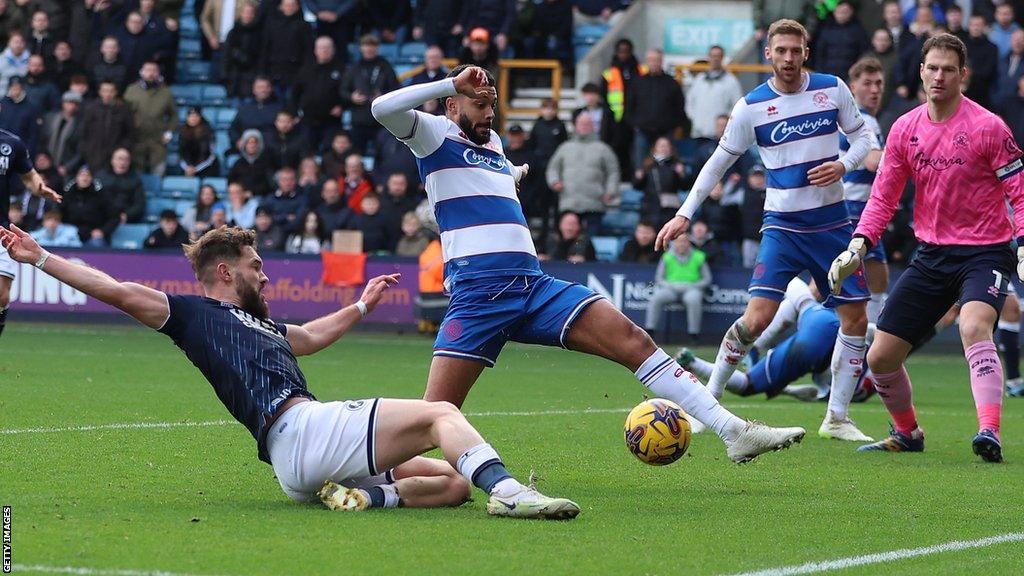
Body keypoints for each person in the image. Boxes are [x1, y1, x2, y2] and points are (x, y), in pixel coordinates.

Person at [371, 63, 806, 463]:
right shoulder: (431, 134)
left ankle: (734, 431)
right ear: (452, 104)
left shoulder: (494, 143)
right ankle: (354, 465)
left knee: (633, 339)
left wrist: (513, 174)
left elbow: (491, 178)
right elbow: (380, 107)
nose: (488, 114)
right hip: (479, 294)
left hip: (533, 286)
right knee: (434, 419)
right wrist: (450, 82)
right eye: (478, 104)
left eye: (492, 105)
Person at [0, 224, 581, 518]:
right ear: (225, 272)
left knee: (454, 483)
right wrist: (42, 258)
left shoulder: (267, 327)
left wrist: (360, 305)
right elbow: (117, 289)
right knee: (440, 413)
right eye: (257, 267)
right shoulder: (195, 316)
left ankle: (355, 499)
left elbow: (309, 337)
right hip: (299, 430)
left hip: (301, 465)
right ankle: (508, 494)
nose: (267, 275)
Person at [656, 19, 875, 442]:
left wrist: (844, 165)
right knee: (756, 319)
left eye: (796, 50)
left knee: (855, 317)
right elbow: (718, 163)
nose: (789, 58)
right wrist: (685, 212)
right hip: (783, 227)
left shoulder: (832, 89)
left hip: (832, 225)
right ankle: (709, 404)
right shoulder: (751, 106)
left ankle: (836, 417)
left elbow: (863, 137)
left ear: (806, 52)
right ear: (768, 55)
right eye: (782, 51)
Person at [828, 34, 1024, 463]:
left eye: (948, 69)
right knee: (880, 357)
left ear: (963, 76)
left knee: (973, 327)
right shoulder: (905, 129)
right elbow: (883, 197)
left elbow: (1019, 189)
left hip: (985, 251)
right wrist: (859, 244)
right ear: (920, 72)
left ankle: (989, 431)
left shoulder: (989, 127)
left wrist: (1023, 241)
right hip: (931, 255)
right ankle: (907, 433)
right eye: (932, 68)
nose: (939, 76)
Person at [677, 278, 876, 401]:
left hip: (824, 328)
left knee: (802, 299)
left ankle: (697, 361)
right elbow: (872, 333)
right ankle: (693, 363)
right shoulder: (873, 371)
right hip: (823, 339)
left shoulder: (874, 364)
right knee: (747, 385)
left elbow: (871, 331)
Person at [0, 125, 61, 338]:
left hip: (0, 229)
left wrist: (40, 188)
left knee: (1, 295)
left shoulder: (11, 144)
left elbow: (29, 176)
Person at [840, 57, 887, 325]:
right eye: (867, 83)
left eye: (878, 83)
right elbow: (873, 161)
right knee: (828, 286)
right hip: (854, 211)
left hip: (859, 209)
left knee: (878, 278)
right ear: (852, 87)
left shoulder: (856, 118)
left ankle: (869, 353)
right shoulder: (865, 120)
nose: (874, 89)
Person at [546, 113, 620, 234]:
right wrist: (554, 182)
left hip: (594, 204)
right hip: (569, 203)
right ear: (575, 126)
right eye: (581, 124)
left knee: (592, 243)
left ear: (593, 126)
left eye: (587, 124)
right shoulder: (565, 148)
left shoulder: (603, 149)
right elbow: (552, 168)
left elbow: (613, 171)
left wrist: (610, 191)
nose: (584, 127)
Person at [626, 48, 685, 170]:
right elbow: (629, 106)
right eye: (651, 60)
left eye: (657, 60)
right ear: (647, 61)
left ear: (662, 61)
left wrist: (673, 125)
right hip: (642, 132)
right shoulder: (638, 82)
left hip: (665, 132)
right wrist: (635, 124)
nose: (654, 63)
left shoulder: (671, 83)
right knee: (640, 166)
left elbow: (679, 107)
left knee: (666, 166)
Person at [644, 235, 711, 343]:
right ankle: (650, 331)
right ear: (673, 243)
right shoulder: (667, 256)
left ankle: (693, 334)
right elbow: (659, 278)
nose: (681, 244)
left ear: (689, 243)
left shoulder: (699, 256)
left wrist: (694, 286)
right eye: (678, 241)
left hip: (692, 288)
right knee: (656, 298)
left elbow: (707, 279)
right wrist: (670, 285)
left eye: (684, 241)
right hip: (671, 289)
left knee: (693, 299)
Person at [340, 35, 398, 153]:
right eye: (366, 45)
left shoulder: (385, 66)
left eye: (372, 46)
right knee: (356, 153)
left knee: (382, 154)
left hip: (381, 121)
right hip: (359, 120)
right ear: (361, 48)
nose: (369, 49)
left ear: (377, 48)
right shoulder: (354, 68)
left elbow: (396, 89)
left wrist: (383, 96)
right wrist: (352, 97)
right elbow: (343, 90)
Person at [123, 61, 176, 175]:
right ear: (141, 72)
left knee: (158, 171)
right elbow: (124, 114)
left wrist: (169, 132)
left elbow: (173, 115)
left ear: (158, 73)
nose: (151, 73)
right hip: (137, 139)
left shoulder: (166, 92)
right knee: (137, 172)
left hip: (157, 139)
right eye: (147, 70)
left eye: (154, 70)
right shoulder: (131, 90)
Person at [292, 37, 345, 149]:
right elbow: (295, 93)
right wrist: (295, 113)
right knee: (306, 151)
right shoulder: (305, 70)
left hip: (331, 121)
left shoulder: (342, 70)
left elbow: (346, 92)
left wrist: (342, 106)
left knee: (329, 151)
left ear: (333, 50)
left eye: (327, 48)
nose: (324, 51)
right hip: (308, 120)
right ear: (315, 50)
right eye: (321, 48)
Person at [685, 45, 743, 140]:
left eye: (718, 56)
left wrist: (725, 124)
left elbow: (737, 107)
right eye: (713, 56)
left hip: (721, 136)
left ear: (722, 58)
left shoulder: (731, 81)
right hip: (699, 133)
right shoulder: (699, 79)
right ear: (709, 57)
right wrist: (695, 119)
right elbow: (690, 102)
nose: (715, 59)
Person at [259, 0, 313, 92]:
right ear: (281, 7)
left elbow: (308, 50)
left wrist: (304, 72)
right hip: (274, 72)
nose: (290, 8)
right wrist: (263, 72)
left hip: (295, 72)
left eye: (292, 5)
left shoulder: (304, 26)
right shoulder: (271, 24)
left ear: (297, 7)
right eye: (287, 5)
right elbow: (265, 49)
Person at [80, 81, 133, 172]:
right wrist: (87, 150)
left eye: (111, 91)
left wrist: (121, 149)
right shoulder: (91, 109)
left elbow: (130, 133)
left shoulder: (123, 110)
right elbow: (83, 132)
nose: (108, 94)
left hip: (114, 156)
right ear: (100, 92)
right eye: (105, 91)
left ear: (115, 92)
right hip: (94, 155)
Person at [633, 136, 686, 227]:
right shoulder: (647, 165)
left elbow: (685, 186)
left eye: (666, 146)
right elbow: (637, 186)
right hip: (650, 209)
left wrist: (681, 175)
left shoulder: (676, 165)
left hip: (669, 209)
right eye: (661, 146)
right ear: (654, 149)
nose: (663, 148)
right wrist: (639, 178)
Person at [41, 90, 82, 178]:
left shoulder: (79, 125)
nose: (71, 106)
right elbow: (42, 140)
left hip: (64, 168)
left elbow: (80, 151)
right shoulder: (50, 118)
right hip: (46, 164)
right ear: (63, 103)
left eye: (75, 103)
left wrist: (67, 167)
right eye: (68, 102)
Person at [228, 129, 272, 198]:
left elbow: (268, 184)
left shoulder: (266, 163)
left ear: (259, 145)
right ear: (245, 145)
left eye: (254, 143)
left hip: (260, 197)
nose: (252, 145)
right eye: (249, 143)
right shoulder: (238, 163)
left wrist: (253, 192)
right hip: (240, 197)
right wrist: (241, 193)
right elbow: (231, 181)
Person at [178, 106, 219, 177]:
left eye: (195, 116)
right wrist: (187, 167)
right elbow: (181, 153)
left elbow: (209, 155)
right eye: (190, 116)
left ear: (200, 117)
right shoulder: (183, 131)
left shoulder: (208, 131)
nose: (193, 118)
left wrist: (196, 168)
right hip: (187, 168)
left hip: (206, 168)